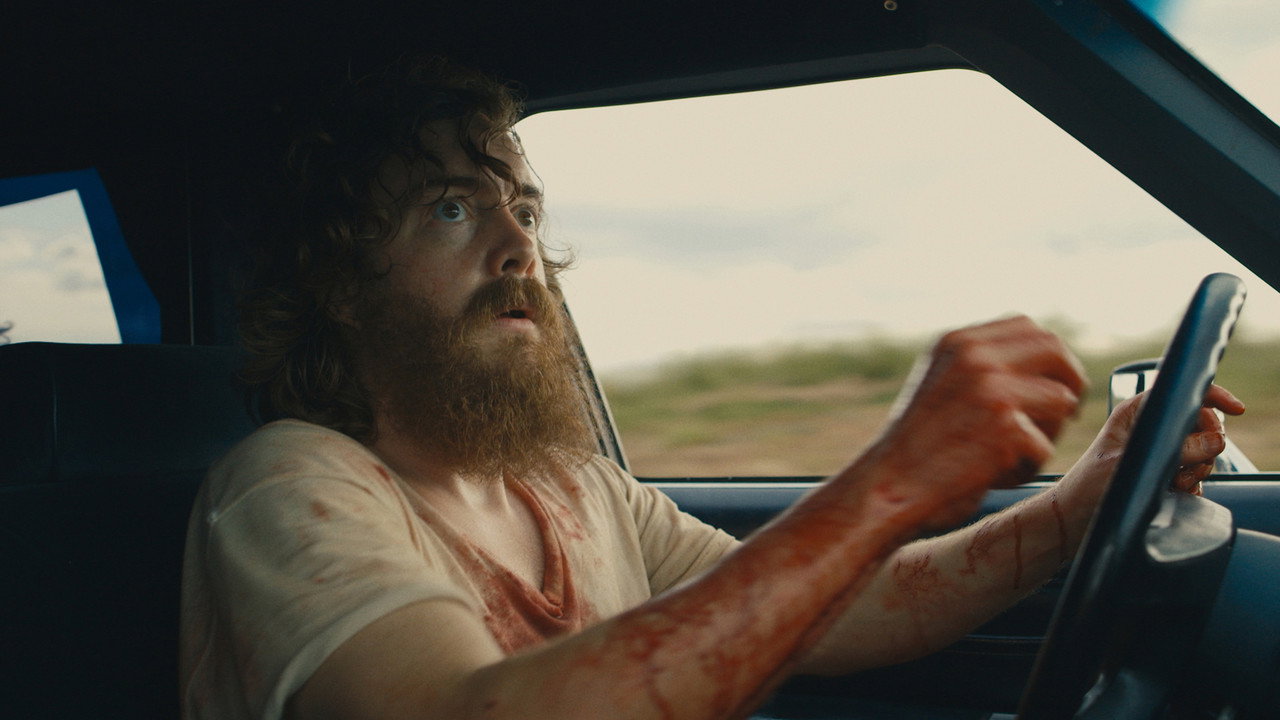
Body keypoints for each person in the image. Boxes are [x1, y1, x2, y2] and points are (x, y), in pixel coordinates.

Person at [179, 58, 1245, 720]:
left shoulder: (568, 483)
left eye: (523, 213)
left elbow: (834, 609)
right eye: (453, 210)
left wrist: (1077, 507)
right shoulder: (289, 486)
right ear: (341, 284)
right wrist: (886, 483)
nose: (518, 248)